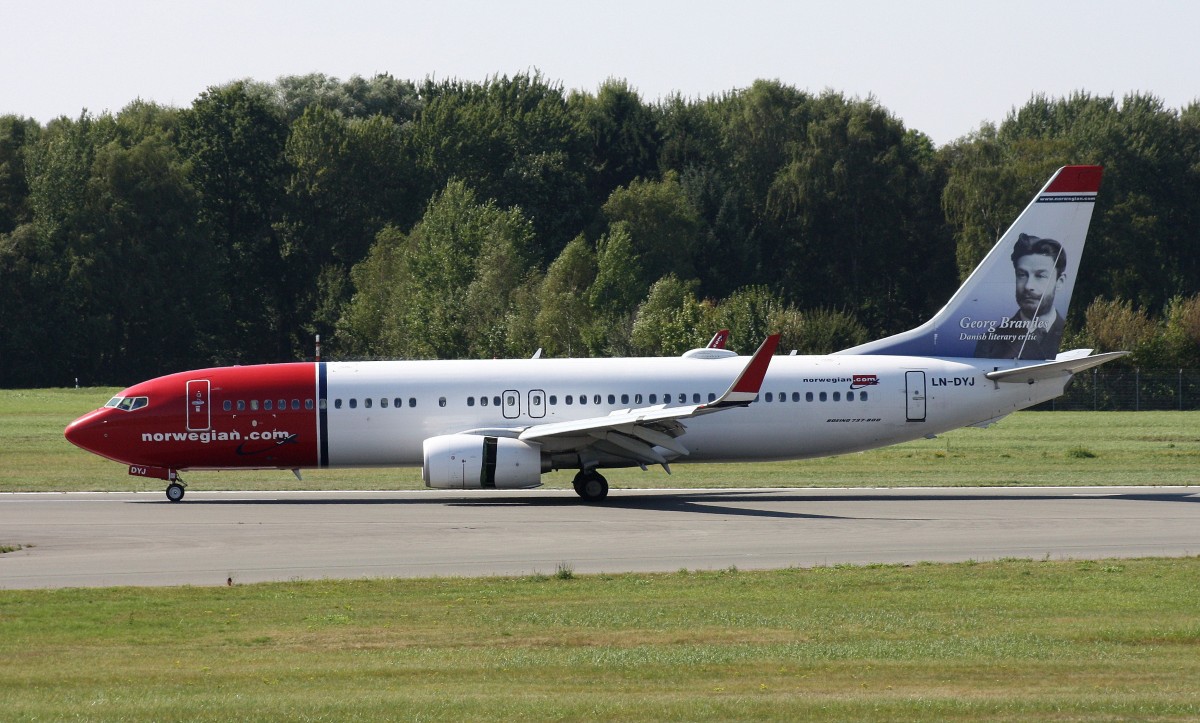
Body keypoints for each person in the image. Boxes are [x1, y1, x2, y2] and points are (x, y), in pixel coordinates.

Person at [974, 233, 1067, 359]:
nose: (1028, 286)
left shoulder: (1069, 334)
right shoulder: (989, 342)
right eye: (1022, 275)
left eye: (1040, 276)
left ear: (1059, 282)